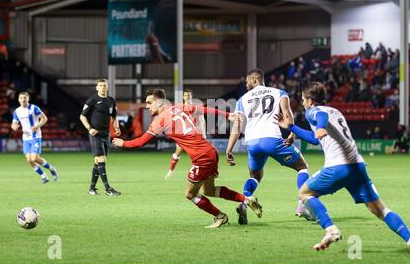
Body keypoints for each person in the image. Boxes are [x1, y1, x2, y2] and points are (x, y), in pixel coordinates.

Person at [276, 82, 410, 254]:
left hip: (338, 166)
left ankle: (330, 229)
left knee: (304, 193)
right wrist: (292, 128)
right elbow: (316, 138)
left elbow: (320, 116)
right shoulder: (336, 111)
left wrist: (320, 127)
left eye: (303, 99)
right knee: (380, 210)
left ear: (310, 100)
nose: (302, 103)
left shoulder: (314, 111)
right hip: (358, 166)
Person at [112, 89, 262, 228]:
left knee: (190, 194)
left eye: (150, 102)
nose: (147, 106)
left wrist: (122, 143)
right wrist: (226, 114)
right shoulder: (179, 107)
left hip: (201, 157)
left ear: (160, 102)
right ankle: (247, 200)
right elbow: (203, 109)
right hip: (211, 152)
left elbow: (140, 142)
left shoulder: (160, 120)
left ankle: (220, 216)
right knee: (209, 190)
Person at [226, 68, 311, 225]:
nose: (246, 85)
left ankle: (244, 202)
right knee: (302, 167)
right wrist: (292, 133)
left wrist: (229, 149)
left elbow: (237, 127)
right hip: (272, 139)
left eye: (247, 82)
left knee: (255, 176)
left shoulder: (242, 100)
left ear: (255, 80)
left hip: (252, 142)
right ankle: (303, 205)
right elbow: (287, 114)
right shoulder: (279, 93)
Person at [79, 78, 121, 196]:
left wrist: (116, 127)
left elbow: (113, 117)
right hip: (95, 134)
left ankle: (91, 189)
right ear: (97, 88)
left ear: (107, 87)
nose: (103, 87)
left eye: (104, 85)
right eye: (100, 85)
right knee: (102, 159)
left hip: (106, 134)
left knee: (98, 162)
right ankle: (108, 189)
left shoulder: (111, 101)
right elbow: (82, 116)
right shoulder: (92, 100)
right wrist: (89, 128)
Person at [11, 92, 58, 184]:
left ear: (28, 99)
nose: (23, 99)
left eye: (25, 98)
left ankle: (52, 169)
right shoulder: (17, 111)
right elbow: (14, 123)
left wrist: (37, 126)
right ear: (18, 99)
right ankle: (44, 176)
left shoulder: (34, 108)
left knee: (34, 158)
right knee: (29, 160)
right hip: (25, 138)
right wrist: (14, 127)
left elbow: (44, 118)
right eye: (21, 98)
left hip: (35, 136)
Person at [165, 89, 206, 180]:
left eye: (189, 95)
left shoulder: (196, 107)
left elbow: (202, 120)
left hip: (194, 134)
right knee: (177, 153)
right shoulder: (179, 108)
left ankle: (200, 173)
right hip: (183, 135)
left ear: (192, 96)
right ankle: (170, 171)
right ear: (183, 97)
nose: (188, 97)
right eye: (186, 95)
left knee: (198, 154)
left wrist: (203, 134)